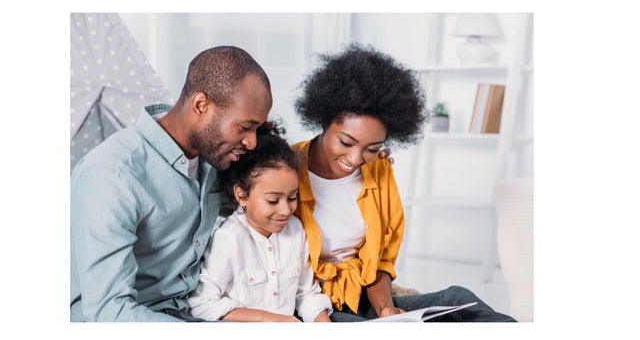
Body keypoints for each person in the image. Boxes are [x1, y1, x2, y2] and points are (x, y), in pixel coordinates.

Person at [291, 43, 516, 322]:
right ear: (324, 120)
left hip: (361, 295)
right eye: (345, 142)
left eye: (371, 148)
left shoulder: (379, 169)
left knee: (460, 298)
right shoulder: (283, 168)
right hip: (311, 305)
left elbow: (379, 258)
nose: (355, 157)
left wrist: (386, 308)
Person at [70, 46, 273, 322]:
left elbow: (264, 202)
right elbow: (109, 312)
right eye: (245, 127)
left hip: (189, 312)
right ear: (201, 105)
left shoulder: (214, 157)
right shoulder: (111, 174)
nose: (251, 142)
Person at [188, 122, 333, 322]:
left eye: (292, 198)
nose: (286, 210)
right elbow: (202, 305)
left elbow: (306, 294)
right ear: (242, 195)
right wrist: (267, 319)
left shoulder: (296, 230)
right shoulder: (229, 238)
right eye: (273, 200)